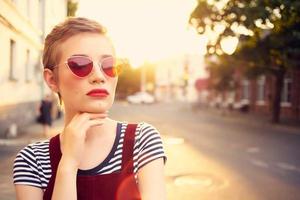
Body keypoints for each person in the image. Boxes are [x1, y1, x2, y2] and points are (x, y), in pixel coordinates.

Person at [13, 17, 167, 200]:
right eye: (80, 64)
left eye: (109, 65)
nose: (99, 76)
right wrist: (68, 163)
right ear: (52, 80)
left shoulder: (141, 140)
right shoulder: (32, 161)